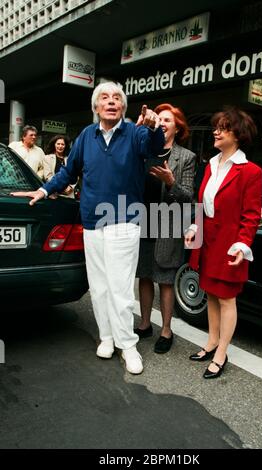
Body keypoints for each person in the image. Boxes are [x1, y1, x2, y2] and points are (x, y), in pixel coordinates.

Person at [11, 81, 165, 375]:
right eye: (104, 97)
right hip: (93, 222)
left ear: (122, 107)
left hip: (124, 221)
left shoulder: (135, 132)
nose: (111, 101)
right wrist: (43, 191)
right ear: (96, 107)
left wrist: (155, 126)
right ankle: (107, 337)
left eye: (117, 98)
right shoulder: (85, 135)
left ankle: (127, 345)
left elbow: (155, 148)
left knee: (120, 289)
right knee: (99, 286)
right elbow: (69, 172)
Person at [185, 107, 262, 379]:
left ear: (238, 135)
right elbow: (202, 202)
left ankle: (221, 353)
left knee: (227, 298)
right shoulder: (211, 164)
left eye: (223, 127)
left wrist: (243, 245)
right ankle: (211, 341)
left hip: (230, 245)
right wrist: (195, 227)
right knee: (211, 293)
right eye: (216, 126)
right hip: (208, 241)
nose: (216, 132)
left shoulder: (251, 172)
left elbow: (251, 215)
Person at [135, 103, 196, 354]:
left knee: (166, 280)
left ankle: (166, 330)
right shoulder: (145, 150)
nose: (161, 122)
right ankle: (146, 323)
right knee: (145, 275)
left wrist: (171, 182)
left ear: (177, 127)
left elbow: (188, 197)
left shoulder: (186, 157)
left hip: (168, 224)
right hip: (143, 221)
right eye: (159, 119)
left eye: (167, 120)